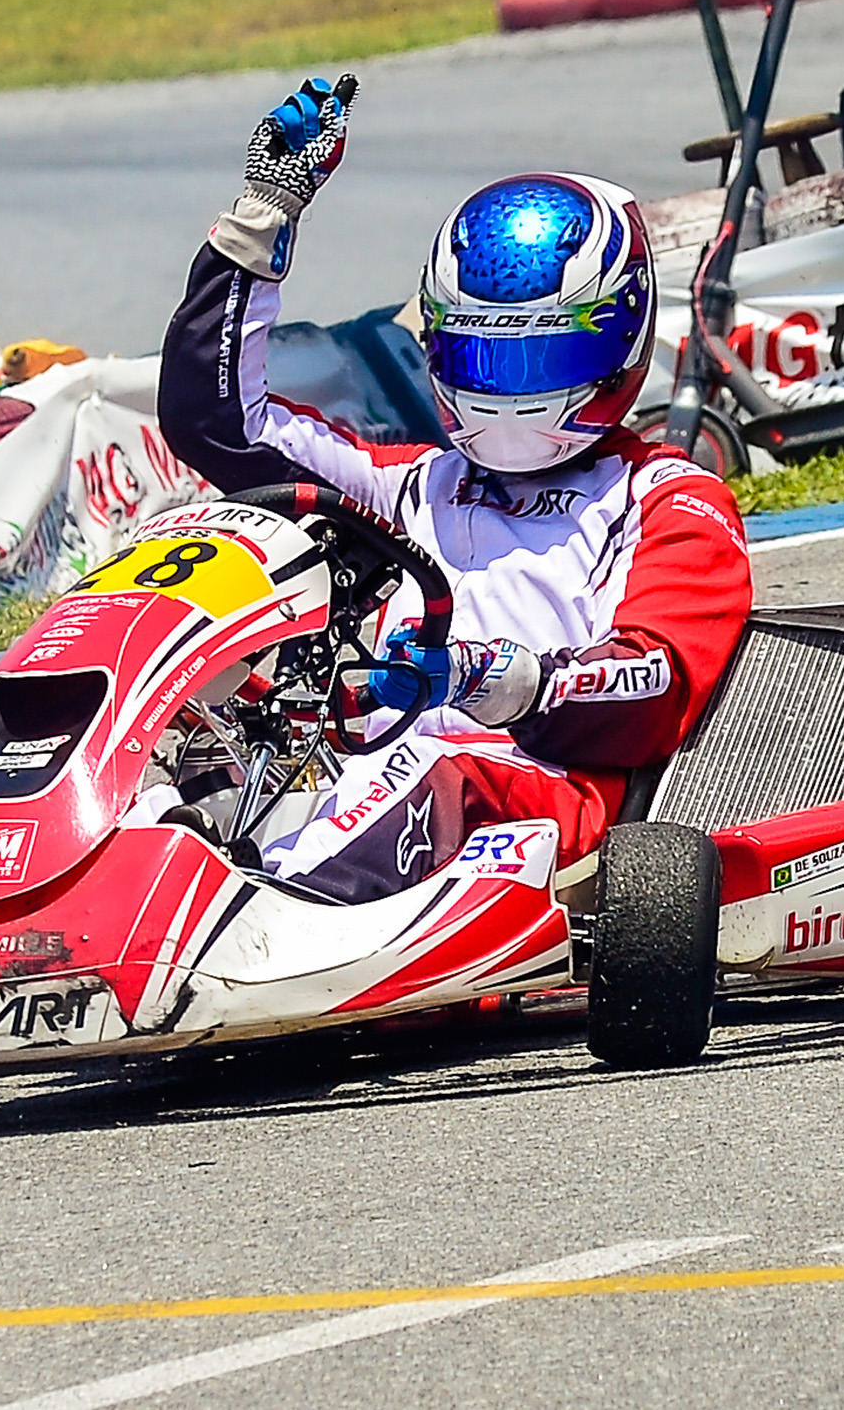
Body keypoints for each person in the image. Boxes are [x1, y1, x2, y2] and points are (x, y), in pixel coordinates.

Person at [159, 74, 754, 905]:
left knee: (428, 763)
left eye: (537, 362)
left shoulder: (669, 497)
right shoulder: (405, 485)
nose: (507, 395)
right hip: (366, 789)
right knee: (179, 745)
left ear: (620, 336)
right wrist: (261, 216)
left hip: (544, 811)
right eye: (482, 361)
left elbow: (656, 684)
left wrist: (486, 676)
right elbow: (217, 421)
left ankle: (253, 917)